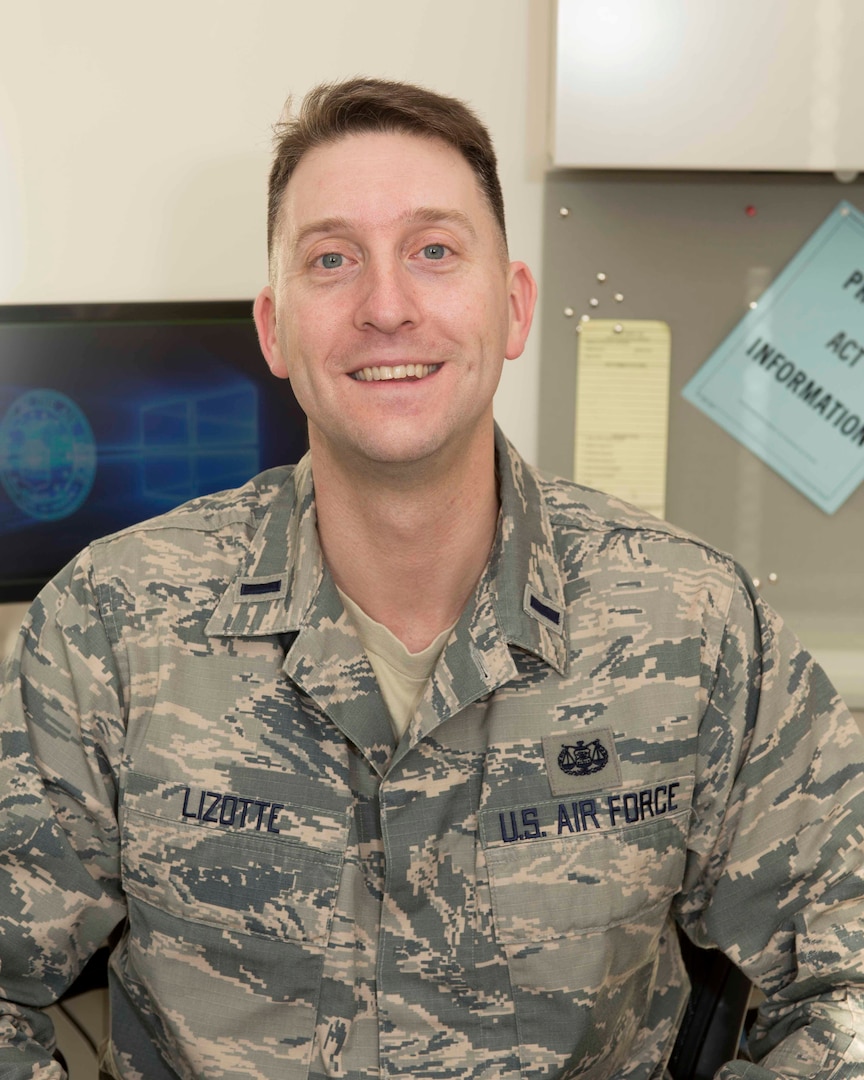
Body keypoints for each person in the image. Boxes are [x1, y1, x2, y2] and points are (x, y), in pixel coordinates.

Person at [1, 76, 864, 1080]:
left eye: (434, 252)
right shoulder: (109, 629)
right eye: (333, 260)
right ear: (276, 330)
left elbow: (847, 974)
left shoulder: (699, 625)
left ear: (513, 306)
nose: (386, 306)